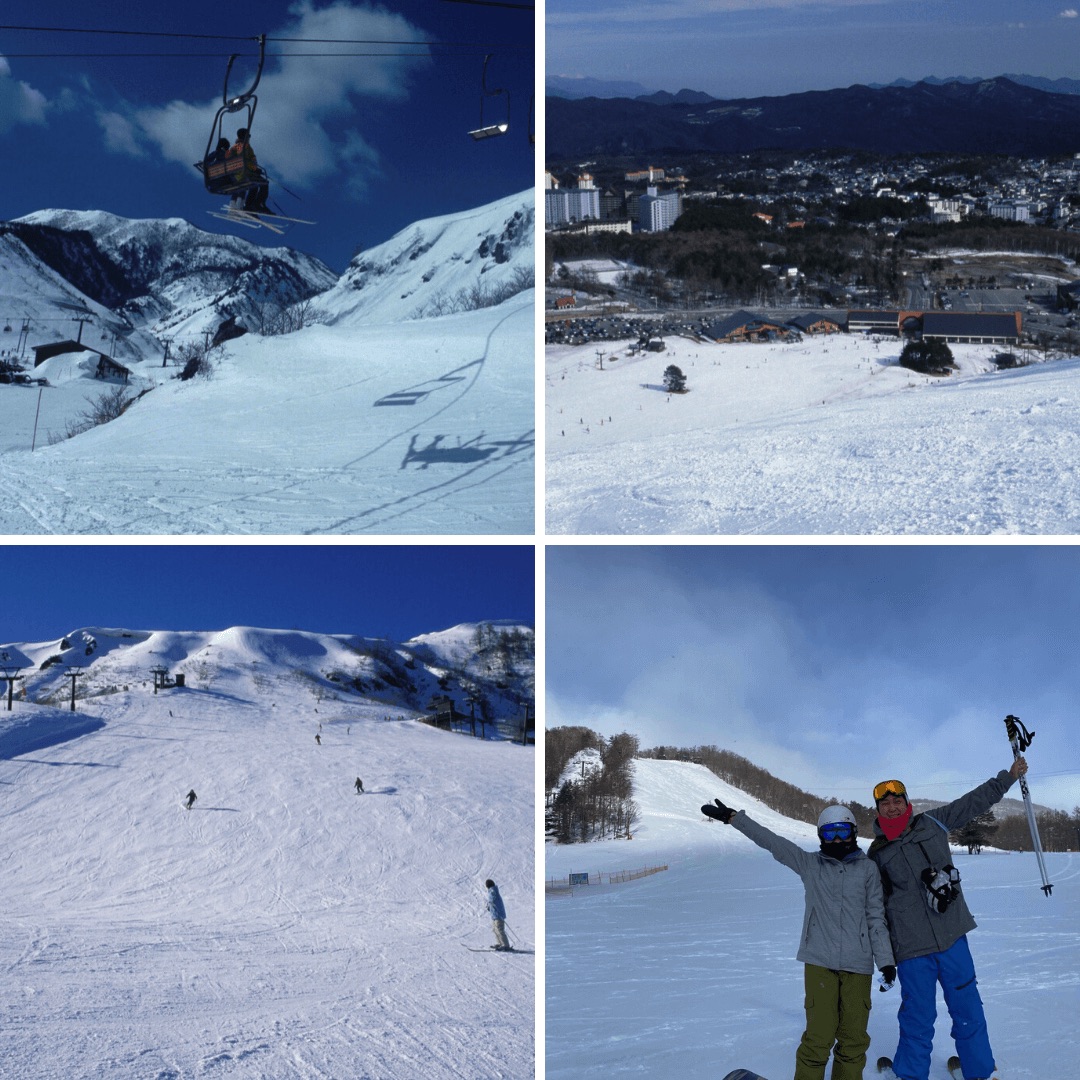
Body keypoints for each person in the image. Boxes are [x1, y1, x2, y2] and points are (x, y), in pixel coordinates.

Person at [702, 797, 895, 1080]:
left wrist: (886, 962)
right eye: (831, 833)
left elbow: (876, 917)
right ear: (821, 836)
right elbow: (773, 842)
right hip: (819, 962)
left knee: (853, 1041)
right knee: (818, 1039)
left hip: (859, 964)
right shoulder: (810, 864)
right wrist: (735, 818)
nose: (838, 838)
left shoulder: (867, 870)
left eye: (843, 831)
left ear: (853, 832)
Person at [867, 756, 1027, 1080]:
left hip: (952, 936)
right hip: (912, 951)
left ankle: (980, 1073)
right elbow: (876, 911)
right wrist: (883, 957)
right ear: (878, 811)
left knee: (968, 1009)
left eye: (898, 800)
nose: (893, 807)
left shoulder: (933, 822)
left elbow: (974, 802)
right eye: (886, 804)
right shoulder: (877, 855)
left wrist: (1008, 778)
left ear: (907, 802)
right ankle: (910, 1075)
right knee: (917, 1018)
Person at [228, 128, 271, 214]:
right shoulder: (245, 146)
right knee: (264, 183)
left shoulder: (233, 148)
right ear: (245, 137)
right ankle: (257, 204)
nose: (249, 138)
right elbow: (246, 161)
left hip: (235, 174)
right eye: (248, 136)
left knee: (253, 185)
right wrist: (255, 169)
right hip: (244, 173)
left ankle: (249, 205)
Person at [485, 879, 510, 951]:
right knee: (495, 929)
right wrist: (489, 906)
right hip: (494, 915)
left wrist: (489, 904)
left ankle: (506, 945)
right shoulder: (491, 891)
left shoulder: (493, 891)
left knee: (500, 930)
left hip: (498, 915)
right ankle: (500, 943)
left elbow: (492, 899)